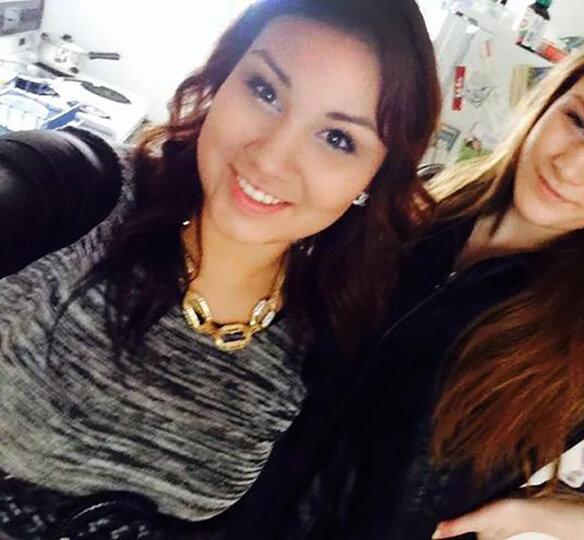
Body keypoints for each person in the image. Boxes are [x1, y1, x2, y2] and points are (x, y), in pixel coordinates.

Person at [240, 23, 584, 539]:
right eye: (577, 120)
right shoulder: (418, 206)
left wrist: (541, 513)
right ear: (548, 102)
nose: (571, 166)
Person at [0, 0, 440, 537]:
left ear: (372, 180)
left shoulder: (327, 342)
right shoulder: (76, 195)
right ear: (223, 78)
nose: (271, 157)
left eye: (337, 139)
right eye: (265, 91)